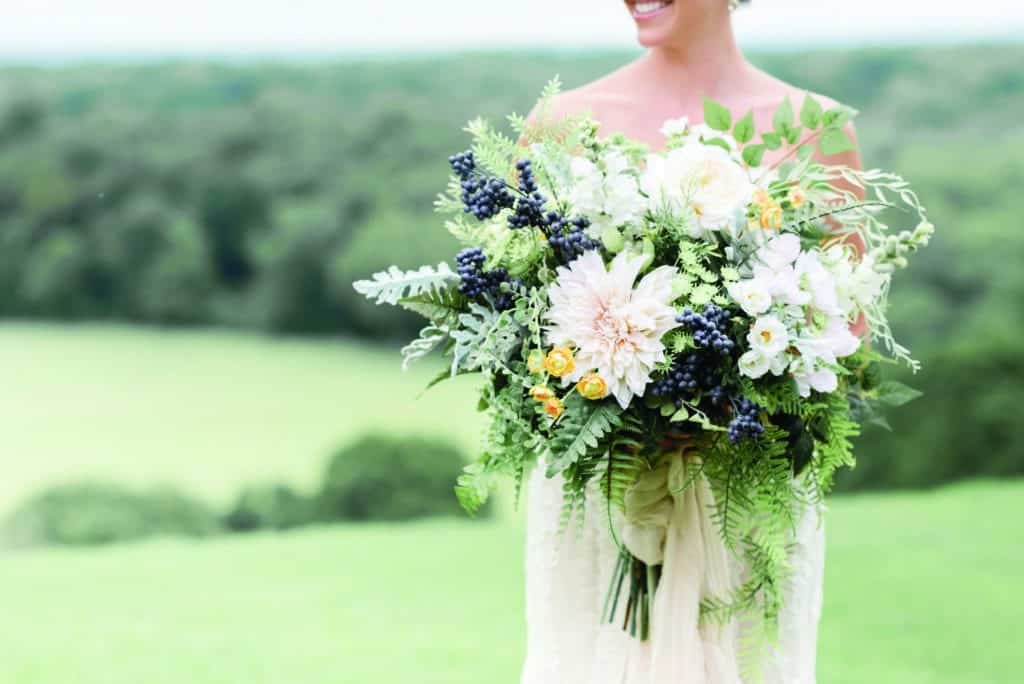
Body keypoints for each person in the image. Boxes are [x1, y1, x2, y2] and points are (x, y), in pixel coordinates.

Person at [520, 2, 861, 682]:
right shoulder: (559, 126)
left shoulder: (819, 130)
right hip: (605, 493)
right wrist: (624, 420)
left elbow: (844, 340)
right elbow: (526, 327)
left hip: (747, 497)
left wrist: (723, 414)